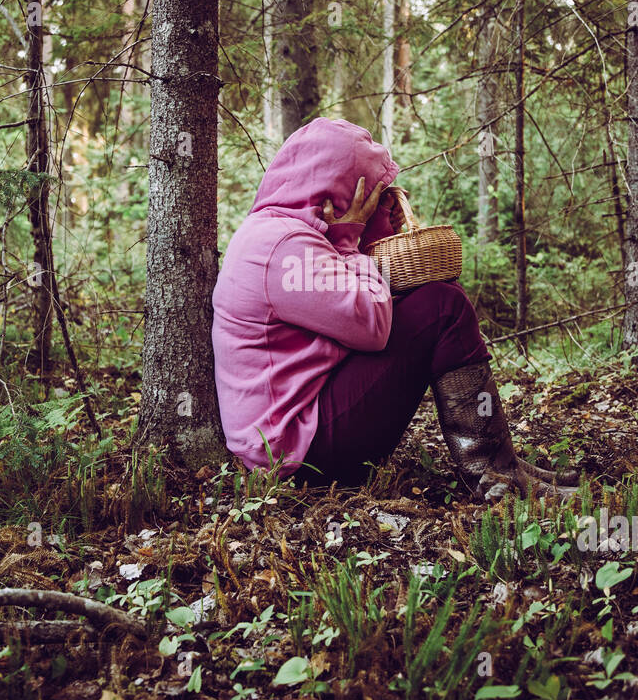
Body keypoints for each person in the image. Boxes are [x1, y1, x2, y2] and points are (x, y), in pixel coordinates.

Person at [211, 117, 573, 502]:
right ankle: (492, 471)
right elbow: (372, 327)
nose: (378, 204)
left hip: (295, 432)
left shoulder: (282, 232)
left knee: (436, 305)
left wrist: (374, 232)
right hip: (295, 451)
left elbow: (347, 301)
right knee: (443, 308)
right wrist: (351, 238)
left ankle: (501, 463)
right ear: (337, 190)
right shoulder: (283, 248)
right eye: (371, 193)